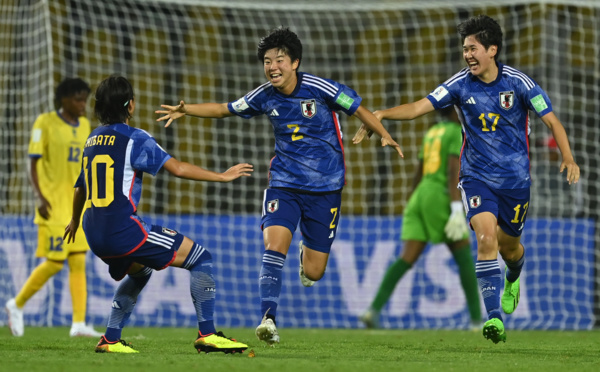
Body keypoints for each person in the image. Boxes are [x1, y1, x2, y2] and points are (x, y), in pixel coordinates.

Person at [156, 26, 403, 346]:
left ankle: (306, 257)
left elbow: (358, 109)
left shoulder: (320, 88)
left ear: (295, 62)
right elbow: (225, 109)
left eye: (280, 60)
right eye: (267, 61)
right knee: (273, 247)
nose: (272, 66)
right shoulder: (263, 96)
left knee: (314, 272)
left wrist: (382, 132)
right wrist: (187, 109)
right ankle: (268, 318)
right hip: (283, 185)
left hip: (326, 189)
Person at [353, 15, 579, 344]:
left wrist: (568, 156)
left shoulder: (519, 83)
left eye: (473, 49)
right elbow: (419, 107)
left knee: (509, 248)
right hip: (475, 178)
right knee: (486, 240)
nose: (468, 55)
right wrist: (382, 113)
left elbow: (552, 121)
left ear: (492, 50)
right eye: (464, 49)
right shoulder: (459, 84)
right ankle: (494, 320)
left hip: (515, 182)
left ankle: (513, 277)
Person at [63, 75, 253, 354]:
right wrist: (221, 177)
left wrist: (74, 220)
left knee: (141, 272)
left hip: (93, 231)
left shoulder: (92, 139)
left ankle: (110, 339)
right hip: (122, 230)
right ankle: (208, 335)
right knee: (201, 258)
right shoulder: (135, 138)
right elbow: (178, 169)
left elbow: (80, 187)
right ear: (130, 105)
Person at [360, 106, 481, 330]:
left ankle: (373, 310)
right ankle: (476, 321)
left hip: (420, 195)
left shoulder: (433, 131)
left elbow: (420, 169)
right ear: (456, 111)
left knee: (407, 257)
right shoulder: (456, 131)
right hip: (440, 195)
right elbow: (453, 169)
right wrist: (456, 208)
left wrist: (413, 200)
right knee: (463, 256)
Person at [5, 78, 102, 338]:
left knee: (78, 262)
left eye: (85, 99)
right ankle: (16, 304)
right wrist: (39, 198)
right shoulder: (44, 122)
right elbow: (32, 163)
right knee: (56, 261)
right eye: (78, 100)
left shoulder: (84, 126)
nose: (83, 105)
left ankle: (79, 323)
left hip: (75, 207)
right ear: (63, 100)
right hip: (51, 206)